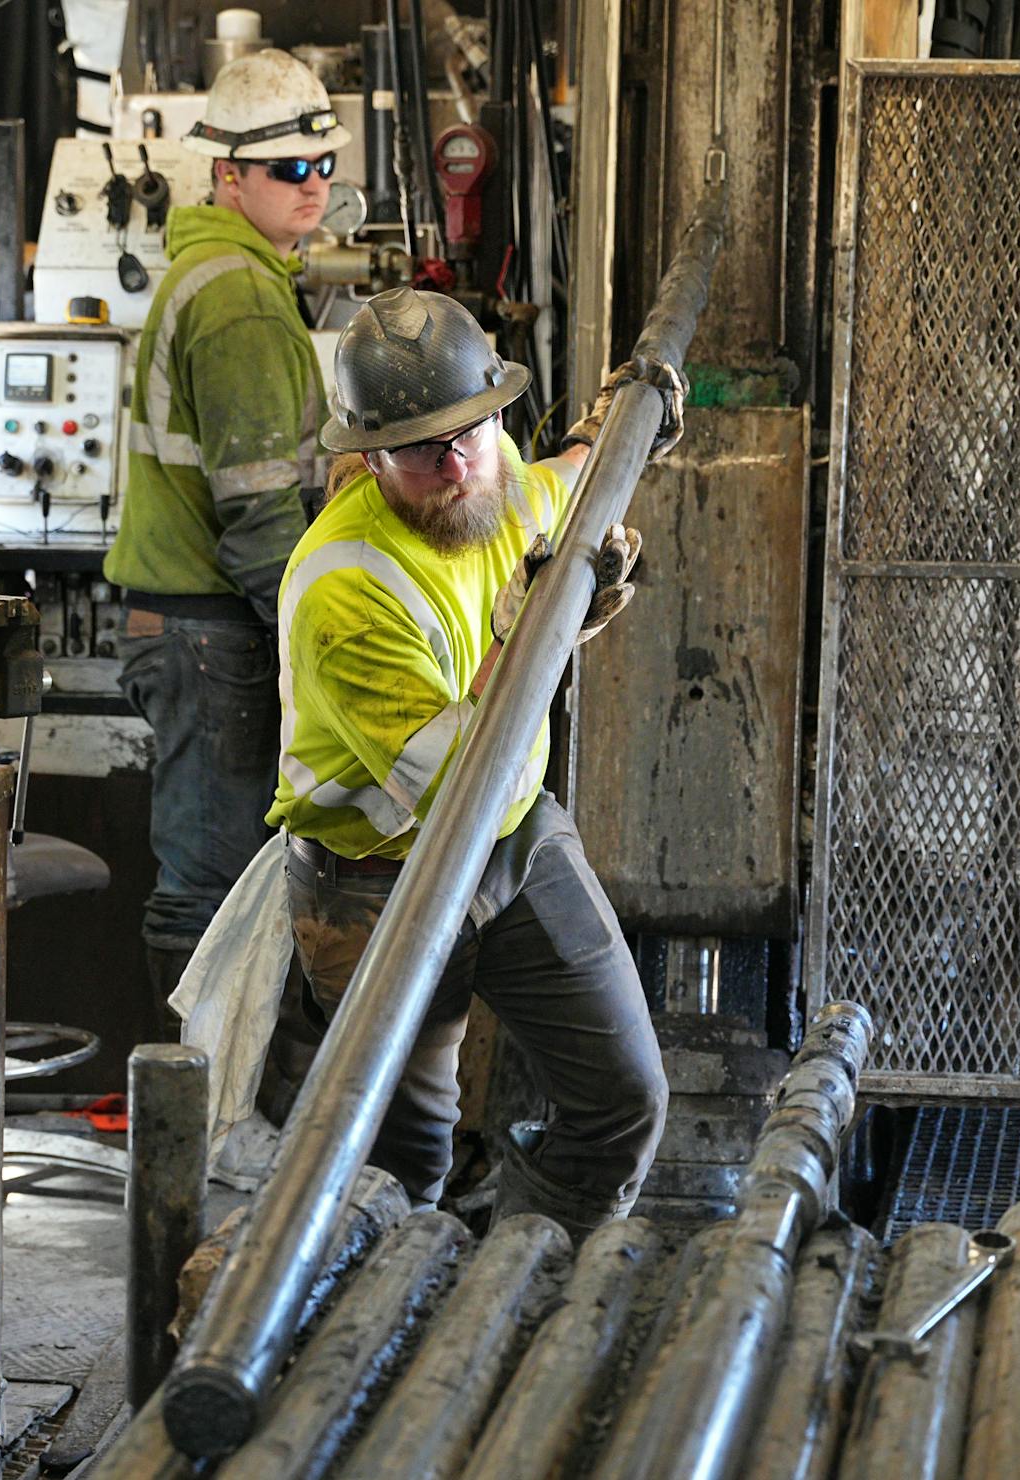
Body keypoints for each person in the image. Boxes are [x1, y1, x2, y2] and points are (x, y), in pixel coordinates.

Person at [265, 286, 685, 1238]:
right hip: (379, 885)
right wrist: (534, 627)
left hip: (513, 842)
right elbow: (459, 779)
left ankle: (523, 1284)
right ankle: (390, 1337)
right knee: (400, 1171)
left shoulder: (494, 483)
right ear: (367, 459)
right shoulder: (341, 586)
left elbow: (571, 476)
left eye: (473, 432)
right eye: (419, 449)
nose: (455, 466)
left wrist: (627, 421)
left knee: (623, 1102)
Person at [103, 49, 350, 997]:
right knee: (210, 894)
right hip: (213, 634)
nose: (313, 184)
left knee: (220, 885)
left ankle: (217, 1117)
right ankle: (198, 1125)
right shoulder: (239, 296)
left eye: (323, 163)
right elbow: (256, 518)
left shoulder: (226, 274)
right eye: (288, 168)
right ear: (227, 174)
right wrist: (322, 640)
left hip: (197, 629)